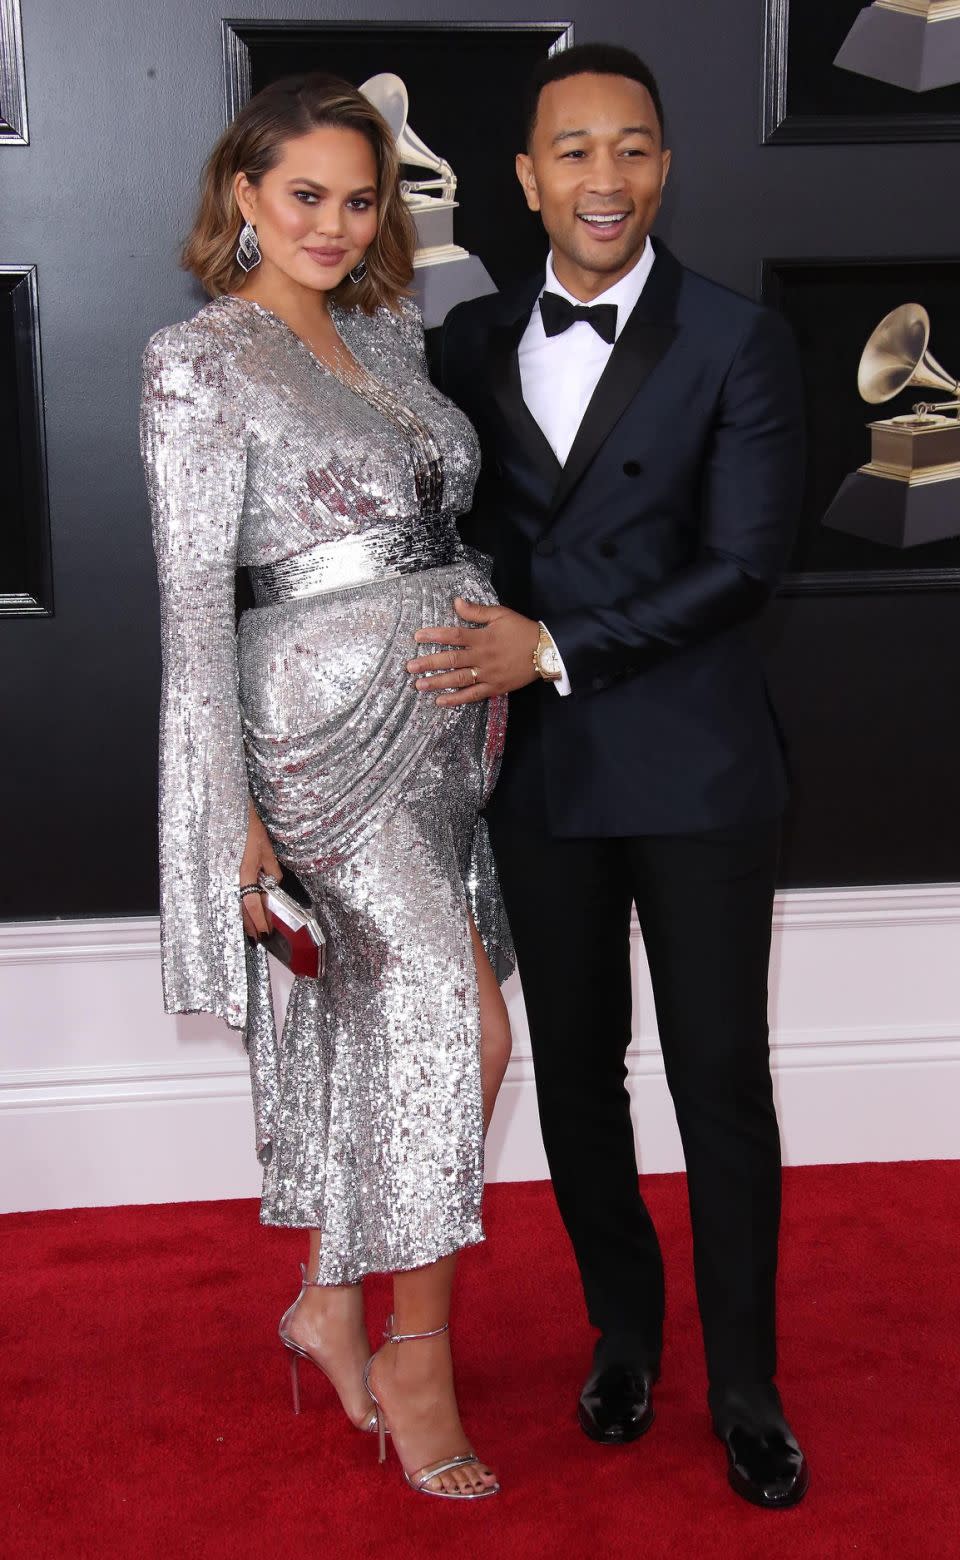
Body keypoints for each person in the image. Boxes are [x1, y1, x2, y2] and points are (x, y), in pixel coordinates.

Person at [408, 43, 809, 1508]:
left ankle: (750, 1387)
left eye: (631, 148)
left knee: (720, 1081)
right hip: (546, 780)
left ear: (663, 167)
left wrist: (554, 643)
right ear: (523, 179)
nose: (604, 178)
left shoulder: (736, 338)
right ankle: (626, 1339)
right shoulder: (464, 345)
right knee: (577, 1080)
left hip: (698, 769)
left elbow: (745, 564)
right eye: (572, 151)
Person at [140, 72, 514, 1502]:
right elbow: (190, 606)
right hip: (315, 744)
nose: (335, 222)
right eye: (305, 195)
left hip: (445, 734)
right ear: (243, 195)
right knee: (456, 1029)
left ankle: (325, 1295)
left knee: (406, 1030)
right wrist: (225, 817)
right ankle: (413, 1351)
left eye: (361, 200)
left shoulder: (389, 332)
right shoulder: (203, 361)